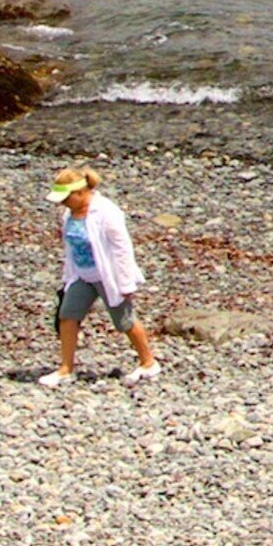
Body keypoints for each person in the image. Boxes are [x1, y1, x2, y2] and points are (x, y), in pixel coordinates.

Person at [43, 165, 159, 386]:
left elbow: (122, 248)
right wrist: (68, 276)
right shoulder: (69, 213)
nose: (62, 203)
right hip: (82, 275)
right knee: (67, 315)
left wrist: (125, 283)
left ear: (79, 193)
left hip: (108, 276)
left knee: (124, 321)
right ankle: (65, 368)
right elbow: (71, 247)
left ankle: (148, 362)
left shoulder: (106, 212)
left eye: (66, 198)